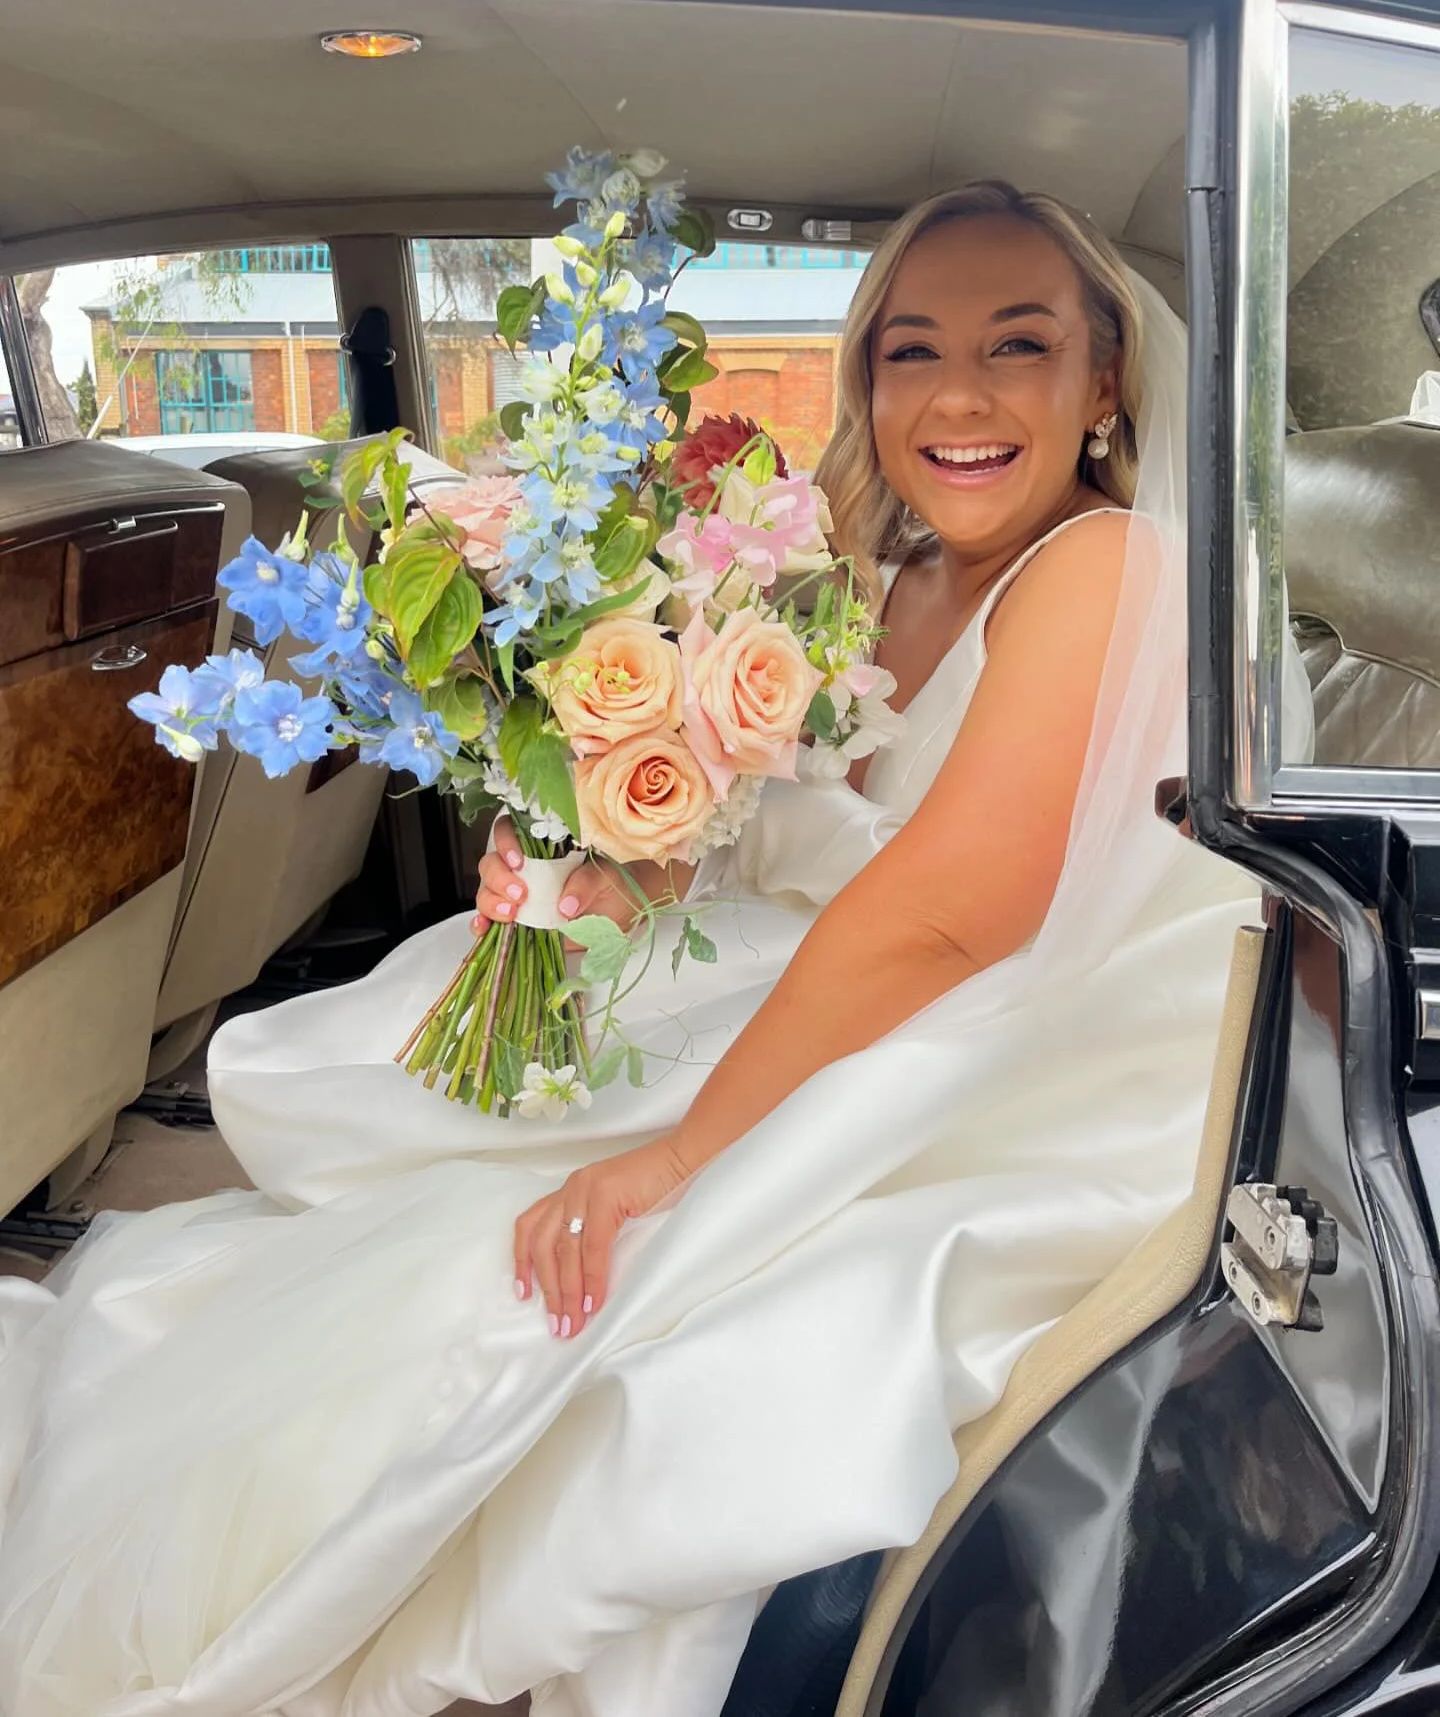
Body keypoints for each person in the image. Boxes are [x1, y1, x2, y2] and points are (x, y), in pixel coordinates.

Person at [0, 182, 1281, 1717]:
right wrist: (596, 865)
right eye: (910, 350)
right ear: (864, 379)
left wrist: (672, 1167)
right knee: (439, 1130)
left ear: (1106, 384)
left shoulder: (1109, 570)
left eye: (1020, 346)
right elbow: (789, 835)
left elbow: (945, 915)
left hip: (1004, 1055)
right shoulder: (885, 580)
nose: (958, 395)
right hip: (866, 991)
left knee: (549, 1287)